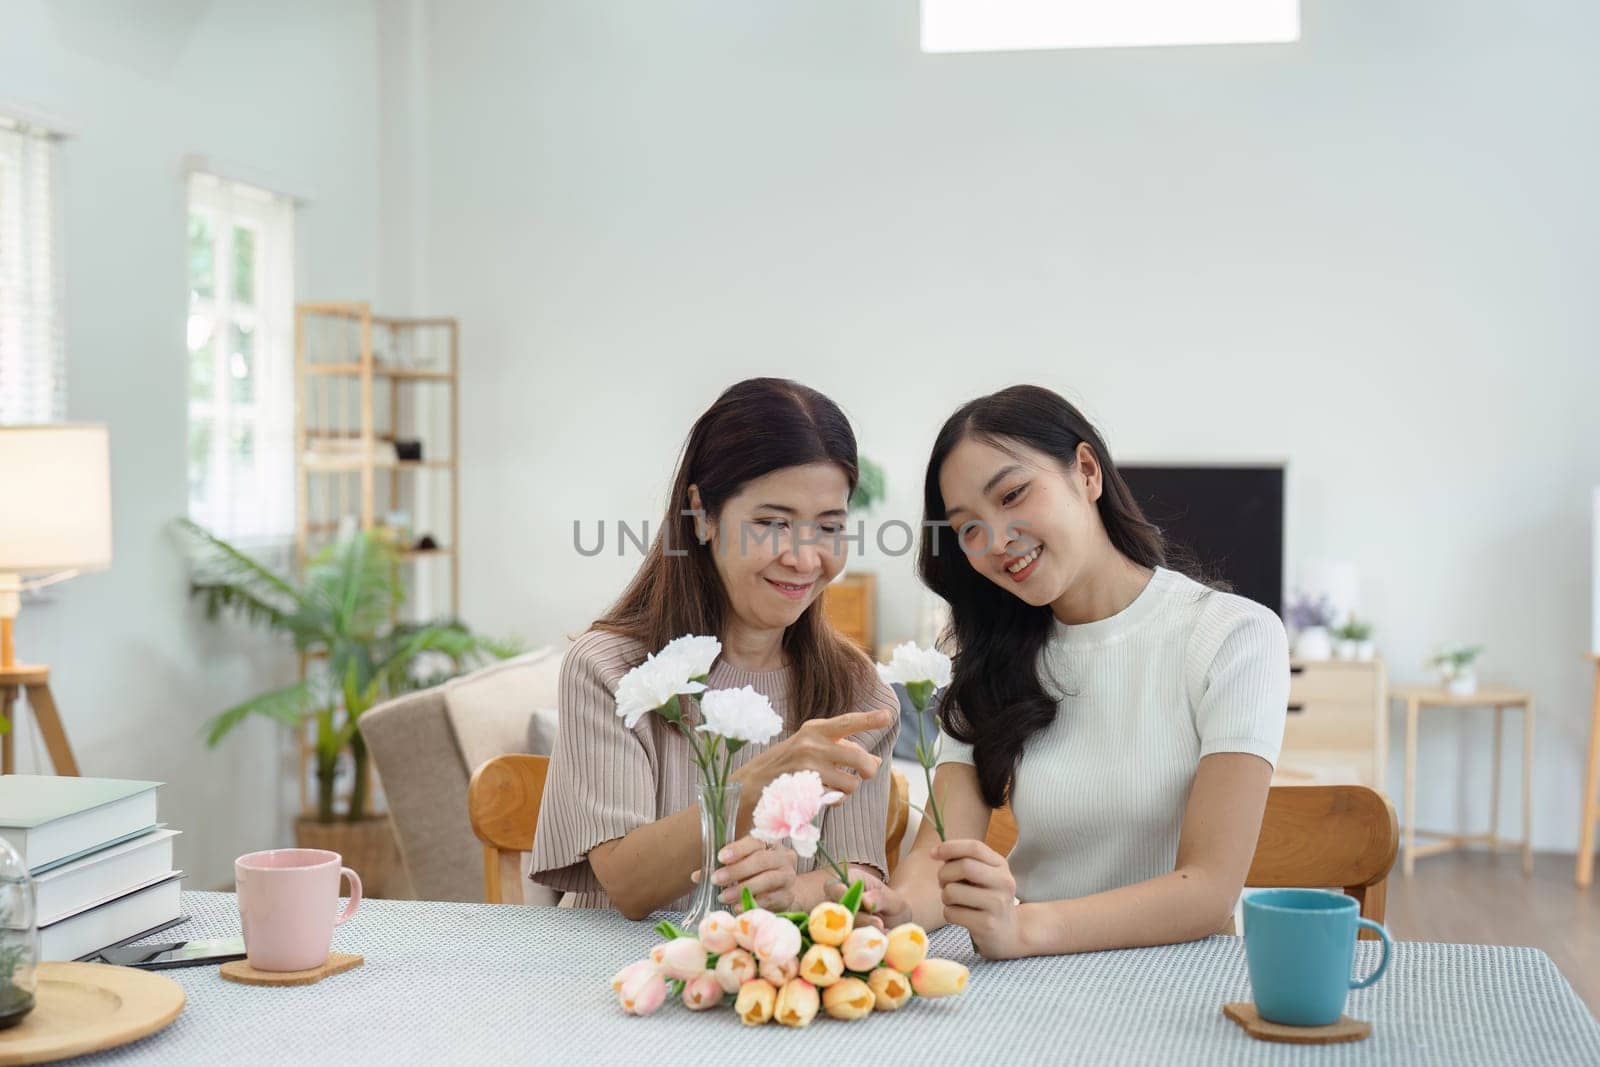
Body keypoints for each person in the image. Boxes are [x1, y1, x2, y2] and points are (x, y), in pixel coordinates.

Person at [846, 384, 1288, 958]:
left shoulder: (1232, 635)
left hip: (1182, 980)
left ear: (1086, 471)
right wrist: (896, 909)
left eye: (1012, 495)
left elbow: (1207, 890)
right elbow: (937, 865)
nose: (997, 541)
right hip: (1032, 981)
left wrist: (1023, 928)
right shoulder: (987, 656)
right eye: (968, 529)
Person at [529, 377, 898, 920]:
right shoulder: (610, 668)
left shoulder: (856, 690)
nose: (804, 558)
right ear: (702, 514)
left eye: (829, 526)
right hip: (607, 978)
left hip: (765, 989)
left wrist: (797, 892)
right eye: (773, 523)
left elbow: (854, 872)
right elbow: (627, 885)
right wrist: (761, 779)